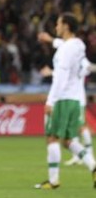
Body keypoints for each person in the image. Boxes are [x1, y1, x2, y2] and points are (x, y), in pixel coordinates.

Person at [35, 13, 96, 189]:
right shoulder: (78, 45)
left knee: (52, 137)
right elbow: (64, 45)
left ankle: (53, 180)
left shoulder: (65, 50)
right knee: (69, 140)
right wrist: (51, 40)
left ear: (66, 26)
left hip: (62, 99)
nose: (56, 27)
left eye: (58, 24)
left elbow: (61, 76)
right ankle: (93, 166)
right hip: (76, 100)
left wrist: (51, 101)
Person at [39, 38, 94, 167]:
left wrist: (53, 73)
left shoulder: (76, 55)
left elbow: (84, 68)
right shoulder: (69, 50)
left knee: (79, 128)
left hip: (74, 97)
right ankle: (82, 158)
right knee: (70, 134)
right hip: (73, 97)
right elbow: (58, 43)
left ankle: (90, 157)